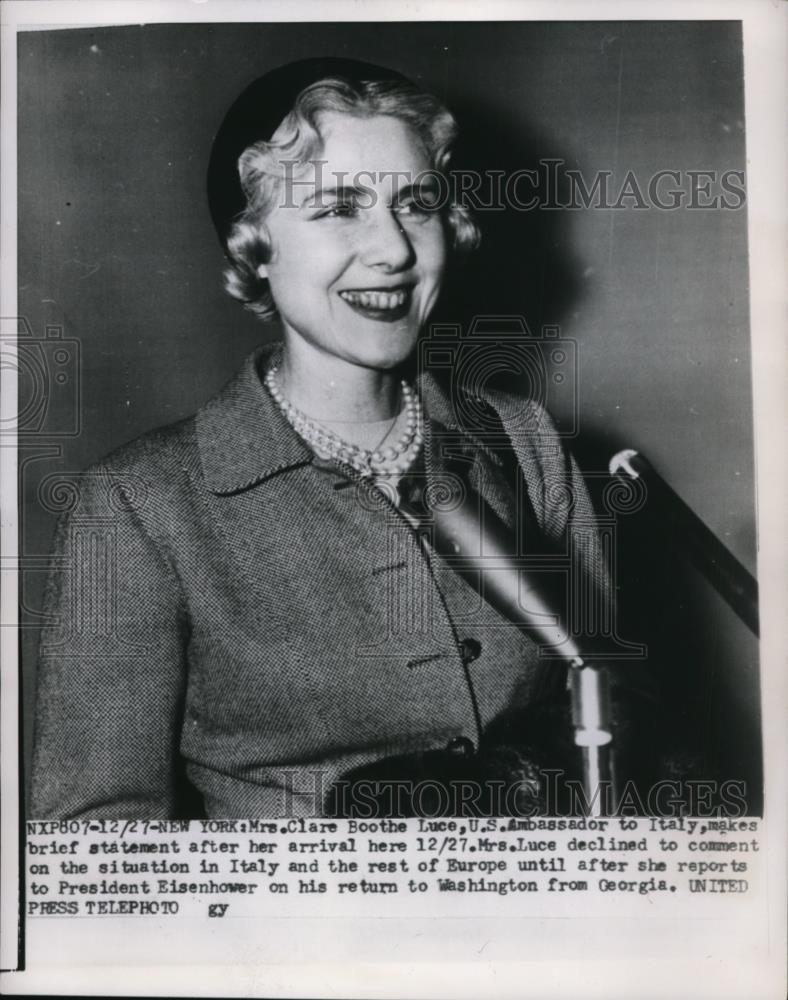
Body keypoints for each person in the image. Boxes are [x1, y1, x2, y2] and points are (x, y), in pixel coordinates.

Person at [30, 58, 611, 820]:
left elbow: (615, 712)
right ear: (255, 245)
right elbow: (96, 843)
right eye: (339, 207)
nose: (394, 251)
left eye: (416, 204)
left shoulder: (524, 443)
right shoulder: (141, 503)